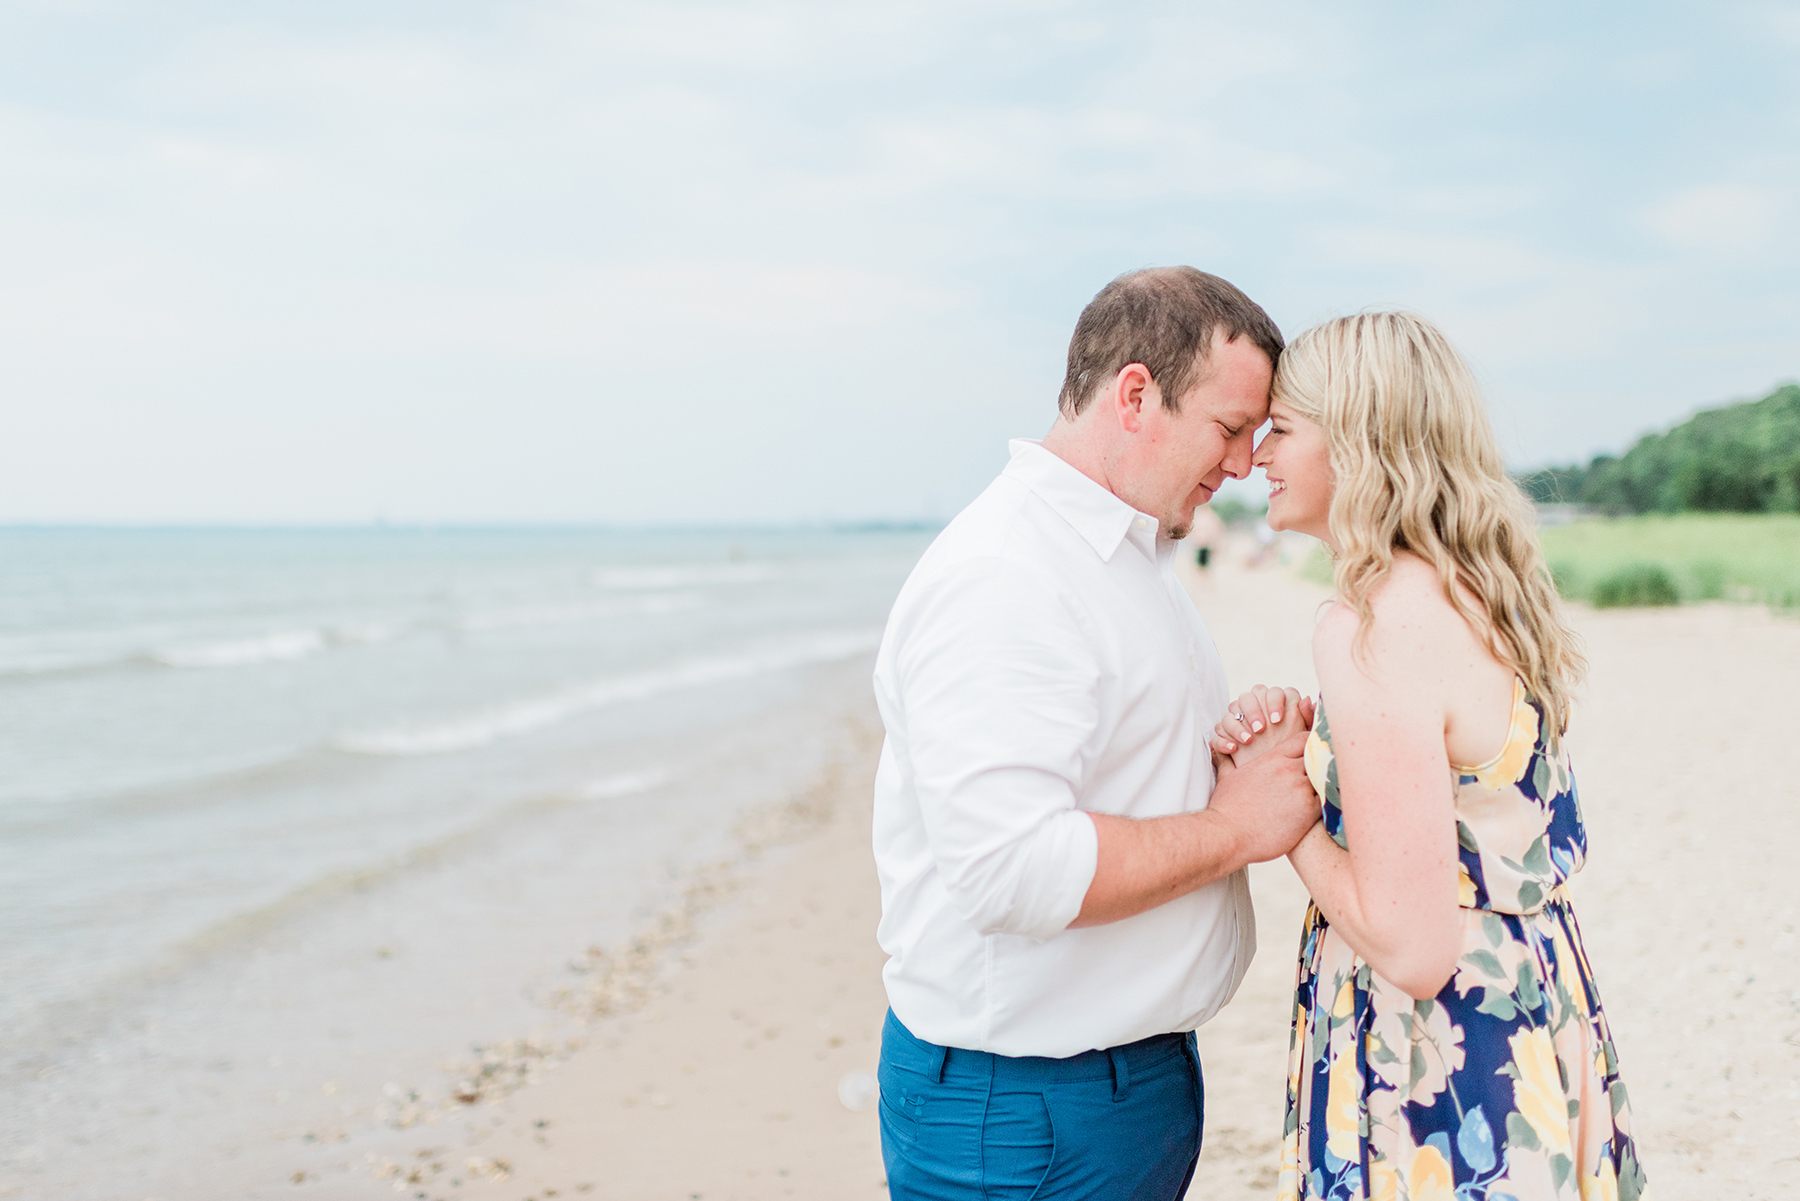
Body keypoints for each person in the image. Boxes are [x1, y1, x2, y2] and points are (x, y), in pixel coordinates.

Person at [870, 267, 1322, 1199]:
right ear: (1135, 394)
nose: (1244, 463)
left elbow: (1121, 762)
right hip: (1026, 1107)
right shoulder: (1007, 576)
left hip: (1110, 1086)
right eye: (1230, 428)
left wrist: (1231, 747)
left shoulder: (1121, 550)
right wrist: (1241, 827)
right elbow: (1012, 866)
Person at [1215, 312, 1649, 1200]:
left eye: (1284, 429)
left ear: (1359, 443)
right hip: (1530, 1011)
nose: (1259, 454)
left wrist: (1290, 815)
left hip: (1438, 1062)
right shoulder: (1481, 590)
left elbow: (1413, 948)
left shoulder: (1374, 627)